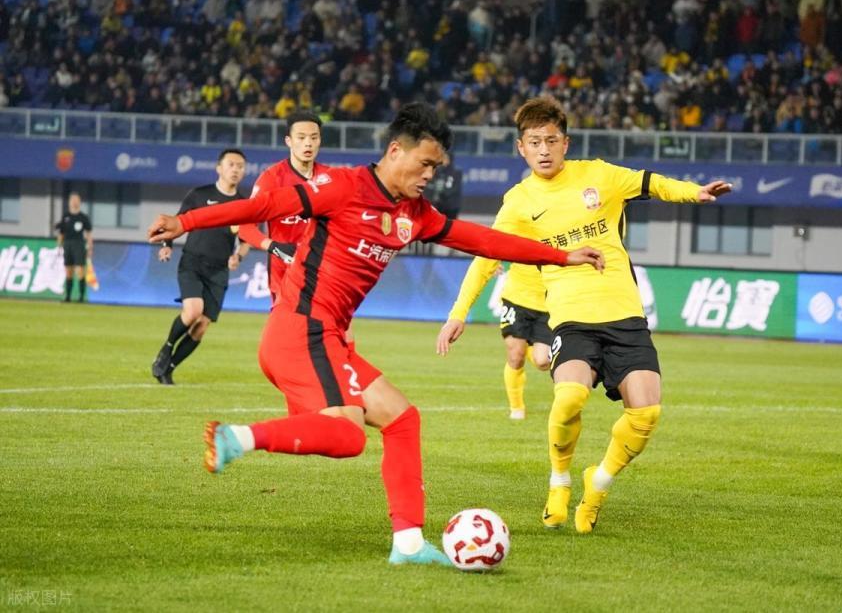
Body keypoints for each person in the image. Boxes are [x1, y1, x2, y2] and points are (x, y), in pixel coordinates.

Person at [146, 103, 604, 566]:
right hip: (300, 329)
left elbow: (481, 239)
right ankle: (237, 438)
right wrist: (184, 222)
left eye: (436, 167)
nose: (430, 176)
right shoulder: (344, 187)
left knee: (403, 420)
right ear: (395, 151)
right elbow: (265, 206)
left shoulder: (414, 213)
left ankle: (408, 543)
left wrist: (560, 256)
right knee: (349, 436)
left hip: (328, 337)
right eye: (425, 164)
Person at [436, 96, 731, 534]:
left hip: (625, 314)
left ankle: (599, 483)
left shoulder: (598, 175)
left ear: (566, 143)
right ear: (521, 148)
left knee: (647, 415)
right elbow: (486, 256)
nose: (543, 150)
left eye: (551, 140)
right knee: (569, 397)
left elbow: (650, 183)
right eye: (534, 142)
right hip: (571, 318)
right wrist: (458, 312)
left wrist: (694, 192)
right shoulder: (519, 201)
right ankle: (559, 481)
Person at [150, 148, 251, 385]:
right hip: (193, 263)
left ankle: (168, 369)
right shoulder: (199, 195)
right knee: (193, 311)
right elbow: (175, 223)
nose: (235, 170)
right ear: (219, 168)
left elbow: (247, 240)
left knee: (202, 326)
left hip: (219, 270)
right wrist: (167, 245)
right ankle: (166, 348)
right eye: (231, 165)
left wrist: (238, 256)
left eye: (240, 166)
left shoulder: (245, 205)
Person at [238, 111, 329, 304]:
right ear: (289, 141)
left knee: (336, 323)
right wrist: (275, 247)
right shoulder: (272, 178)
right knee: (287, 323)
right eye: (301, 137)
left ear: (320, 141)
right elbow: (245, 228)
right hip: (284, 274)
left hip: (324, 272)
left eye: (314, 138)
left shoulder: (330, 179)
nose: (308, 143)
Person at [446, 261, 551, 420]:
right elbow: (489, 252)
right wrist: (494, 258)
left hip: (549, 304)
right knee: (515, 355)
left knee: (542, 361)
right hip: (516, 298)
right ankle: (517, 408)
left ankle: (528, 349)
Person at [55, 192, 93, 303]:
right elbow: (61, 232)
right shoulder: (66, 216)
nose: (74, 202)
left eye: (77, 200)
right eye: (72, 200)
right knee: (68, 271)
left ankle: (81, 297)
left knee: (80, 270)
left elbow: (88, 233)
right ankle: (68, 297)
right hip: (67, 244)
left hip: (79, 244)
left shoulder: (83, 217)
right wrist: (59, 245)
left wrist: (90, 247)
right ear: (69, 202)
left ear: (79, 202)